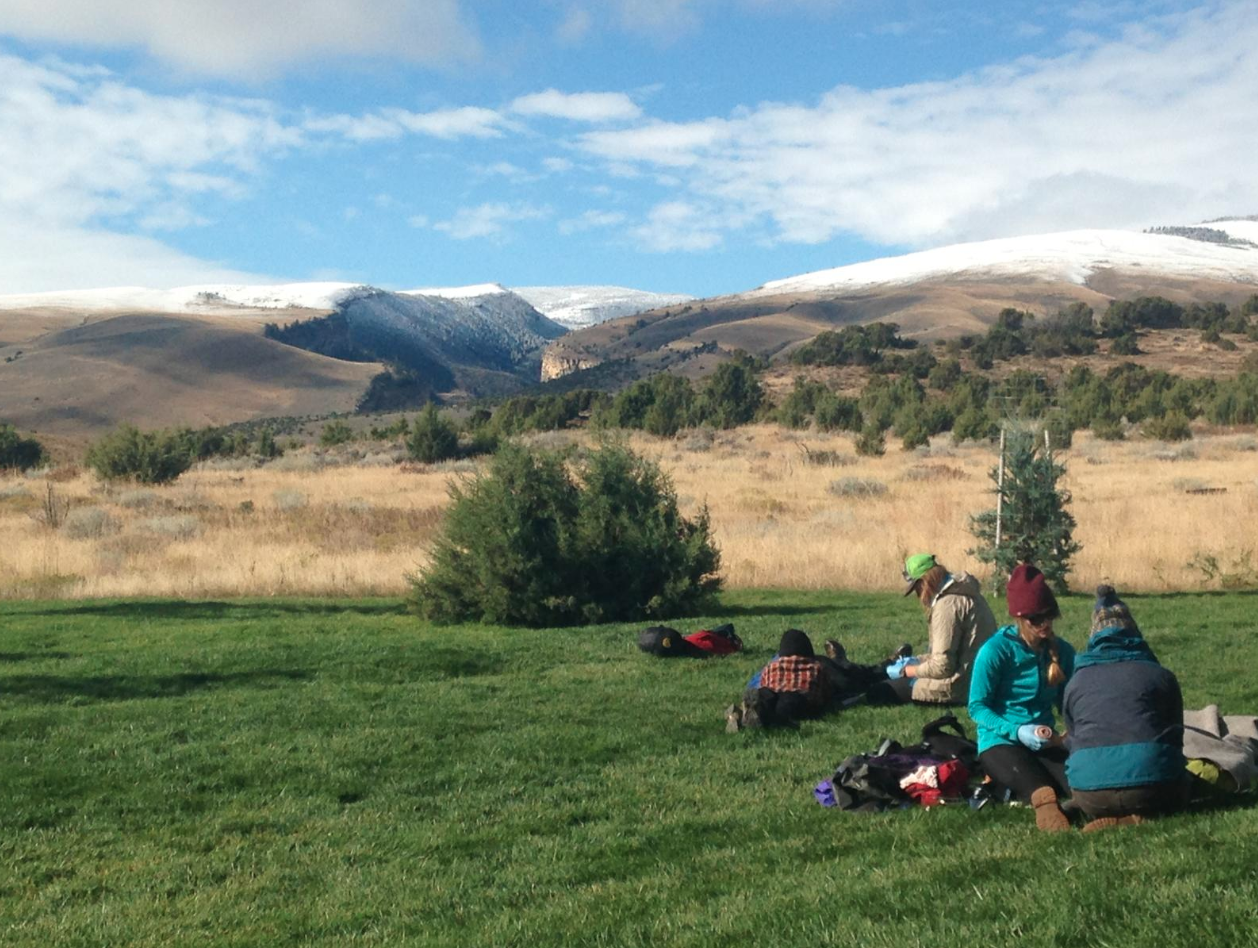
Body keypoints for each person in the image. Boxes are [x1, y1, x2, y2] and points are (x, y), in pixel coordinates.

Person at [1062, 586, 1188, 832]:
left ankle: (1083, 809)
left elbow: (1072, 736)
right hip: (1152, 789)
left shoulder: (1076, 682)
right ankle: (1138, 816)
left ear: (1094, 636)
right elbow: (1176, 734)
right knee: (1183, 784)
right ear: (1133, 630)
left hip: (1090, 793)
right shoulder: (1160, 675)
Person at [967, 563, 1076, 831]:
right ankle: (1048, 814)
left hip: (1045, 739)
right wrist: (1018, 731)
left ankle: (1081, 807)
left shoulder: (1063, 651)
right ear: (1019, 618)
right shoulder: (995, 651)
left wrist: (1071, 734)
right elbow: (977, 708)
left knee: (1077, 782)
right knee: (1040, 788)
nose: (1045, 624)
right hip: (1000, 741)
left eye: (1049, 615)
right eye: (1036, 619)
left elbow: (1070, 701)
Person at [867, 553, 998, 706]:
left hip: (960, 686)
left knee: (879, 691)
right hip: (980, 679)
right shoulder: (965, 593)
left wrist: (906, 671)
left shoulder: (947, 606)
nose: (918, 595)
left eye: (916, 588)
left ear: (925, 582)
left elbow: (942, 667)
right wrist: (918, 660)